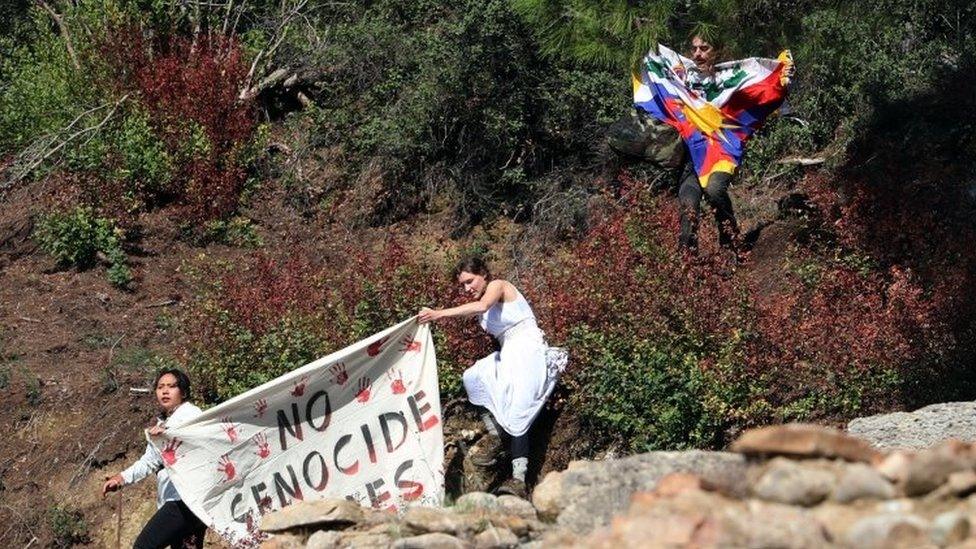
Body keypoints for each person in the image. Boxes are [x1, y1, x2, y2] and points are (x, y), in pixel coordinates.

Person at [418, 256, 563, 498]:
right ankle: (495, 428)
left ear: (484, 274)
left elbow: (483, 306)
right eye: (463, 285)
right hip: (509, 353)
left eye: (470, 281)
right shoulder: (481, 307)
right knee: (473, 377)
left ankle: (519, 478)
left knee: (518, 411)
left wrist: (438, 314)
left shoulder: (498, 285)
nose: (467, 289)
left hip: (527, 348)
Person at [102, 369, 205, 549]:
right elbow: (150, 461)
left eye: (171, 386)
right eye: (160, 387)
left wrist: (167, 434)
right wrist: (121, 478)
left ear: (184, 392)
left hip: (184, 500)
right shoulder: (163, 424)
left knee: (144, 546)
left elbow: (198, 440)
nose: (165, 391)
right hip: (185, 502)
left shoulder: (192, 415)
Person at [677, 34, 740, 253]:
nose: (697, 54)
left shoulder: (732, 77)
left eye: (704, 48)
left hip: (722, 151)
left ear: (717, 50)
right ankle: (686, 268)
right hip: (693, 157)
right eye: (694, 49)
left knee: (714, 190)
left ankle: (731, 246)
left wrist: (782, 78)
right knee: (688, 206)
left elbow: (761, 91)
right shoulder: (683, 78)